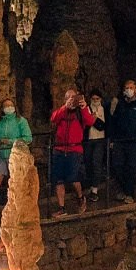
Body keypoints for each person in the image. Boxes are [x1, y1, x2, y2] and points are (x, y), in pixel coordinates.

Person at [107, 79, 136, 199]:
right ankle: (124, 190)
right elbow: (114, 121)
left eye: (131, 88)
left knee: (131, 167)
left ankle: (130, 193)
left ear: (135, 89)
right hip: (120, 141)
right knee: (117, 165)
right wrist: (113, 137)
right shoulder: (121, 104)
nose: (129, 90)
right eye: (126, 88)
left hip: (134, 141)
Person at [47, 87, 90, 216]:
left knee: (74, 178)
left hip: (74, 149)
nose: (72, 100)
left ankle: (80, 197)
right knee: (58, 180)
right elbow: (54, 119)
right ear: (65, 100)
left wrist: (83, 108)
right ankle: (62, 208)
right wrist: (65, 107)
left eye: (74, 97)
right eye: (69, 98)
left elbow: (89, 121)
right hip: (59, 149)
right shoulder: (62, 111)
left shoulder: (80, 112)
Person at [83, 89, 109, 200]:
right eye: (93, 99)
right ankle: (89, 184)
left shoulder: (104, 110)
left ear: (101, 99)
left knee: (96, 162)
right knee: (88, 163)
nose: (95, 101)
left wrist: (95, 120)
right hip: (89, 140)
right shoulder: (87, 109)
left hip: (100, 140)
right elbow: (85, 124)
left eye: (97, 99)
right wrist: (91, 119)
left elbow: (104, 126)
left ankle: (95, 189)